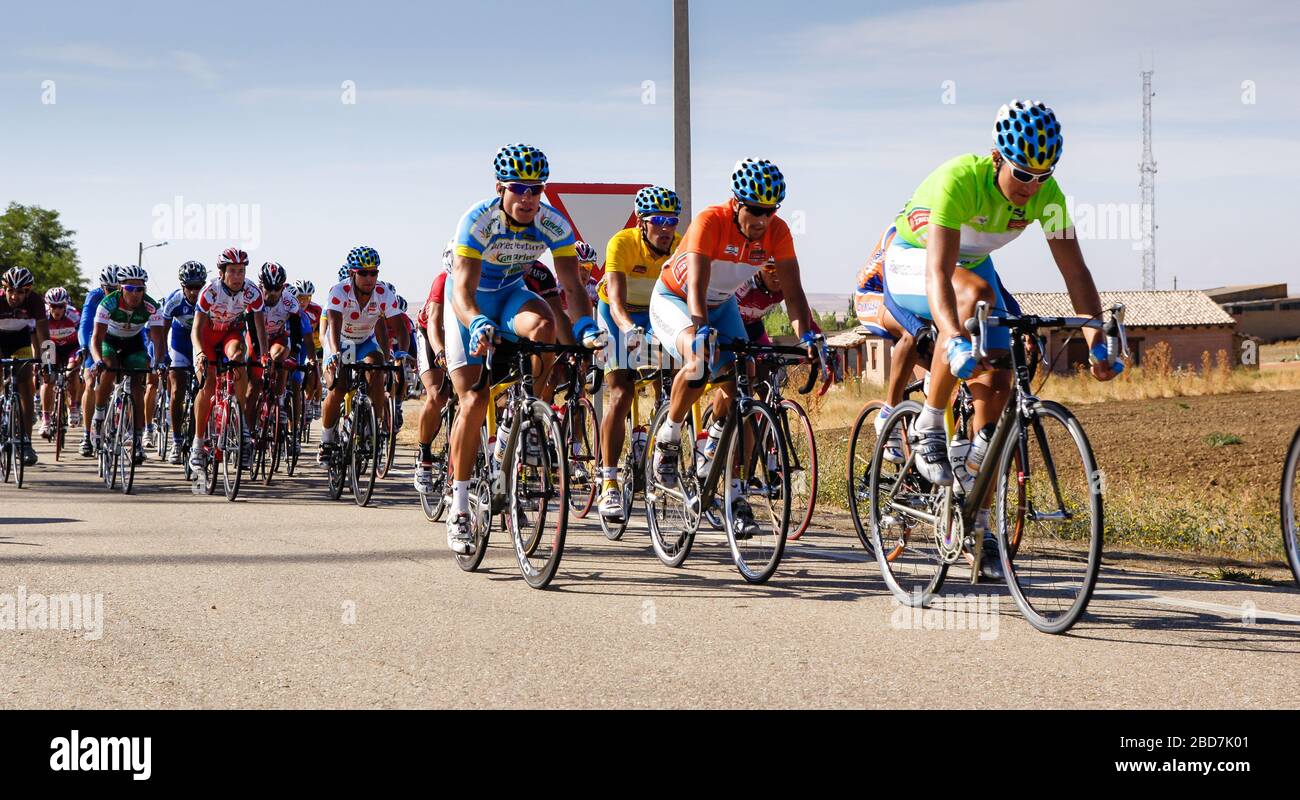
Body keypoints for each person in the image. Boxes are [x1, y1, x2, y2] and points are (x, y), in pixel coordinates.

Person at [878, 99, 1123, 578]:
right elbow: (938, 272)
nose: (1031, 186)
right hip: (913, 259)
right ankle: (929, 422)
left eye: (1042, 174)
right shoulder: (958, 180)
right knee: (974, 299)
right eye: (1022, 173)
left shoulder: (1048, 195)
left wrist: (1096, 335)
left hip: (970, 269)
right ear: (997, 158)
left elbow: (1075, 271)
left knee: (1004, 369)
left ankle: (979, 525)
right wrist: (952, 336)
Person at [648, 159, 829, 540]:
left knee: (742, 384)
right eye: (755, 211)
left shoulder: (778, 232)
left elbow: (794, 296)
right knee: (699, 361)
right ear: (736, 203)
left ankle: (726, 475)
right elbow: (696, 286)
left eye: (770, 211)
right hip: (677, 298)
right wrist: (699, 329)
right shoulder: (711, 221)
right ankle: (668, 435)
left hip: (722, 303)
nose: (762, 220)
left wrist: (809, 337)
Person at [442, 143, 603, 555]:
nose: (529, 198)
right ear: (500, 188)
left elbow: (570, 285)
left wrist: (585, 326)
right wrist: (476, 321)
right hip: (470, 301)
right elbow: (460, 289)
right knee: (473, 399)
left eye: (537, 189)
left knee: (546, 327)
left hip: (511, 293)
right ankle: (459, 508)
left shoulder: (552, 224)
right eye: (519, 188)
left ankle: (523, 410)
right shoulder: (477, 221)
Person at [595, 186, 682, 522]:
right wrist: (630, 330)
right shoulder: (622, 242)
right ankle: (609, 482)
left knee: (679, 381)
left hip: (658, 310)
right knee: (621, 390)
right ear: (642, 222)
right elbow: (615, 302)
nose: (665, 228)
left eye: (671, 221)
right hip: (617, 312)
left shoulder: (679, 246)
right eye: (657, 220)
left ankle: (666, 451)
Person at [319, 246, 406, 463]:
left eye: (374, 272)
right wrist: (336, 354)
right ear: (352, 274)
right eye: (363, 273)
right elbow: (334, 324)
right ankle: (327, 439)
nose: (370, 278)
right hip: (342, 342)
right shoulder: (339, 291)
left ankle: (371, 430)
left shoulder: (384, 294)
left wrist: (401, 354)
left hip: (366, 342)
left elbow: (400, 328)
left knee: (378, 369)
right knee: (339, 387)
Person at [189, 247, 269, 472]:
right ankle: (197, 442)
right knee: (209, 383)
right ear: (222, 272)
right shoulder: (210, 291)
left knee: (238, 360)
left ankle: (241, 424)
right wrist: (199, 353)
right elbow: (196, 328)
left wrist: (264, 353)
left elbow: (260, 326)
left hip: (230, 333)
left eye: (241, 271)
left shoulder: (252, 291)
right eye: (233, 271)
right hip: (207, 334)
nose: (238, 276)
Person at [88, 264, 166, 464]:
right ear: (121, 288)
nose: (136, 293)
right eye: (130, 288)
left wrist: (158, 363)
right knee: (109, 368)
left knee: (138, 382)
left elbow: (158, 340)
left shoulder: (151, 306)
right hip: (109, 341)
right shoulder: (108, 303)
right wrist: (97, 361)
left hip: (134, 343)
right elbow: (96, 338)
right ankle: (98, 416)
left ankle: (138, 439)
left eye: (140, 288)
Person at [246, 262, 303, 444]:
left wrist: (294, 355)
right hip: (255, 339)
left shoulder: (290, 302)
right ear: (260, 285)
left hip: (277, 338)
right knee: (253, 387)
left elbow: (296, 334)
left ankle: (279, 401)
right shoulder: (253, 299)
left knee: (281, 358)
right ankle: (247, 434)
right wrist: (259, 356)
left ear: (283, 286)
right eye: (268, 288)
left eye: (276, 288)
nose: (272, 293)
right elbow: (253, 333)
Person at [0, 267, 51, 465]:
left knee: (26, 385)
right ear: (4, 289)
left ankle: (26, 442)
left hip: (20, 339)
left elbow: (44, 335)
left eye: (20, 292)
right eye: (10, 290)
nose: (14, 296)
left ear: (28, 292)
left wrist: (47, 363)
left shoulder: (36, 301)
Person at [161, 260, 207, 463]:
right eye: (190, 287)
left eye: (199, 287)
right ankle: (177, 439)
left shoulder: (209, 300)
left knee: (202, 392)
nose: (195, 292)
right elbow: (161, 330)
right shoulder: (175, 300)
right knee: (177, 390)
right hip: (179, 343)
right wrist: (162, 356)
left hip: (199, 345)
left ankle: (198, 437)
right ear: (183, 286)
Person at [77, 265, 118, 456]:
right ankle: (86, 434)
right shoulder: (93, 296)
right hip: (97, 340)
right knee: (90, 382)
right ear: (102, 287)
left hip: (117, 340)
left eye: (116, 288)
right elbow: (85, 325)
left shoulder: (128, 296)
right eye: (109, 289)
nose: (113, 293)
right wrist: (85, 347)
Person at [39, 286, 84, 439]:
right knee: (48, 379)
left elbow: (82, 335)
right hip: (50, 347)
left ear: (66, 305)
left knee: (72, 373)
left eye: (61, 306)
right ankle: (45, 420)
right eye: (53, 306)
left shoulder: (74, 315)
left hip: (71, 347)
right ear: (47, 305)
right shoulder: (43, 316)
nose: (57, 310)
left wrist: (81, 355)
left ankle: (73, 408)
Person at [293, 280, 323, 421]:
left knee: (315, 371)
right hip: (294, 343)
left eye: (307, 298)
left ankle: (311, 402)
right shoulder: (290, 306)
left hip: (310, 344)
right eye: (301, 297)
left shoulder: (316, 310)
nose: (303, 301)